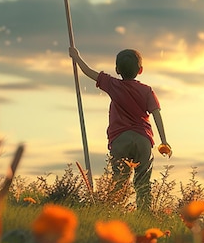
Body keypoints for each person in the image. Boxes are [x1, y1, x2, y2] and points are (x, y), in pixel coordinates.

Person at [68, 46, 171, 209]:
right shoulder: (146, 91)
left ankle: (114, 211)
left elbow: (89, 72)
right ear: (141, 70)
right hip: (142, 139)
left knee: (119, 181)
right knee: (143, 182)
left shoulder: (113, 84)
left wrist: (77, 57)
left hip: (120, 139)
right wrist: (164, 141)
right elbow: (157, 114)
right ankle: (144, 213)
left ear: (117, 69)